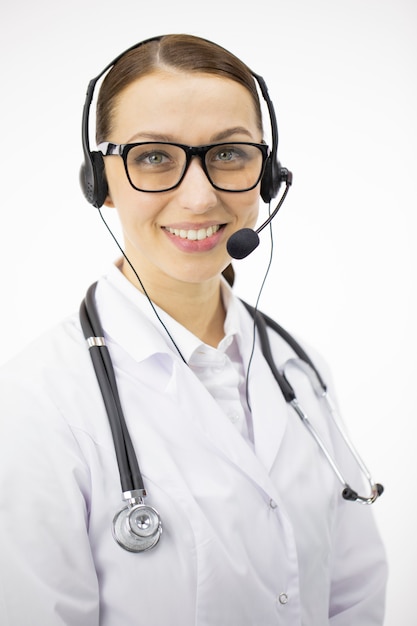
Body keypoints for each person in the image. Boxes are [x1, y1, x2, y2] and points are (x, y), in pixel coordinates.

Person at [0, 34, 387, 625]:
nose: (201, 196)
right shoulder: (35, 402)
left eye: (230, 153)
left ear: (270, 173)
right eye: (154, 156)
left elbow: (354, 595)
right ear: (100, 182)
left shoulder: (300, 369)